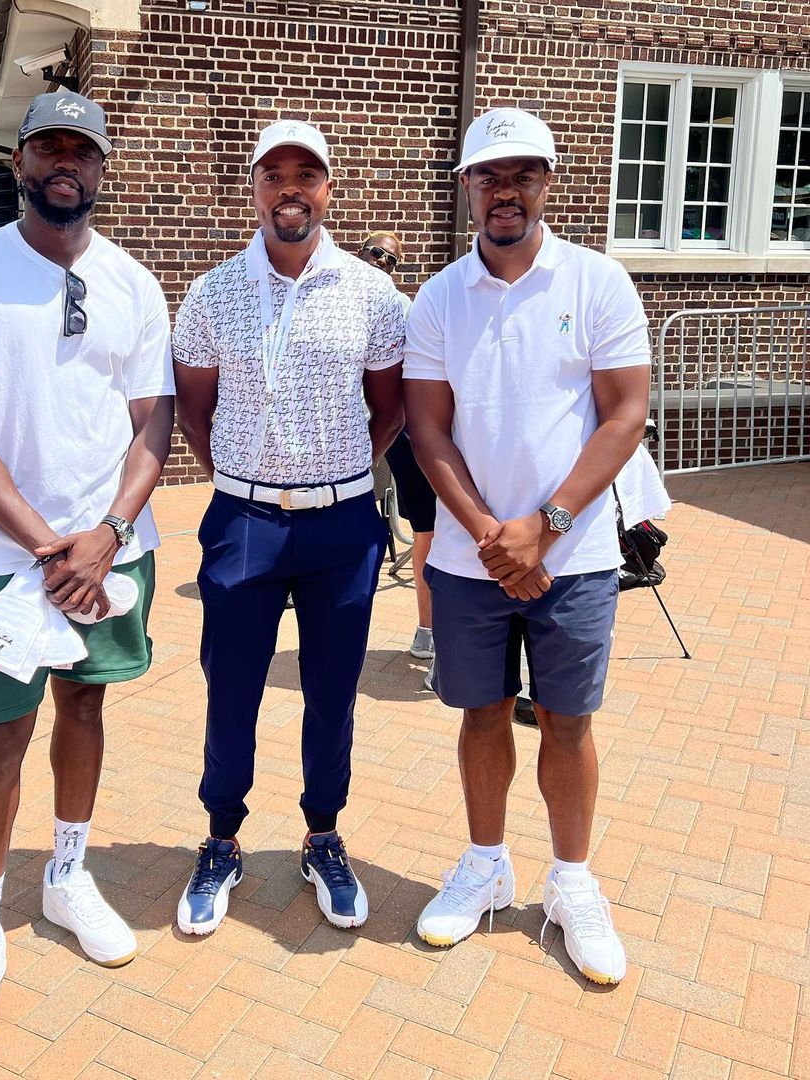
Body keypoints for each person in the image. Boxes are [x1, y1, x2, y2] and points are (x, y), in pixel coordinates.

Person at [0, 91, 175, 1062]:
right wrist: (50, 547)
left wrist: (108, 531)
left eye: (82, 150)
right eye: (47, 146)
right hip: (1, 560)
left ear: (101, 167)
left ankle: (64, 876)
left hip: (109, 552)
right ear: (18, 163)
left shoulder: (134, 283)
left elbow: (152, 423)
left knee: (85, 710)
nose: (66, 162)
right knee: (1, 741)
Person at [403, 108, 651, 985]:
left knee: (567, 720)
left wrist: (544, 527)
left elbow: (625, 413)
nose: (504, 191)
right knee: (481, 714)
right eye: (488, 176)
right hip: (471, 558)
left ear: (549, 181)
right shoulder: (438, 298)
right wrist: (488, 535)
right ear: (467, 187)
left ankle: (572, 883)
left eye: (522, 175)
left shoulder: (597, 282)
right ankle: (486, 865)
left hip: (572, 557)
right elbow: (428, 429)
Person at [172, 120, 405, 936]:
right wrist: (244, 474)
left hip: (341, 522)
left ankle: (323, 835)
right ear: (254, 189)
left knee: (332, 691)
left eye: (307, 174)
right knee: (231, 686)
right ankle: (221, 839)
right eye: (273, 174)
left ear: (328, 188)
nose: (290, 189)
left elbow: (390, 408)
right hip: (244, 519)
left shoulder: (373, 295)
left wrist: (336, 469)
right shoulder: (212, 293)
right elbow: (193, 410)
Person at [359, 232, 438, 680]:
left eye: (391, 260)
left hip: (408, 432)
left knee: (437, 531)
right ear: (360, 252)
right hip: (371, 438)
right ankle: (429, 631)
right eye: (377, 253)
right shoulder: (331, 296)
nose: (382, 262)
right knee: (428, 531)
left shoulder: (401, 307)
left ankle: (433, 633)